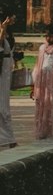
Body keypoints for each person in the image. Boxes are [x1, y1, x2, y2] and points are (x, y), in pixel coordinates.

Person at [0, 12, 18, 149]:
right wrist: (2, 29)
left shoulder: (8, 34)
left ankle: (8, 137)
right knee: (2, 105)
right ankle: (7, 138)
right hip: (2, 69)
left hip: (6, 69)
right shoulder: (2, 32)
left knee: (4, 104)